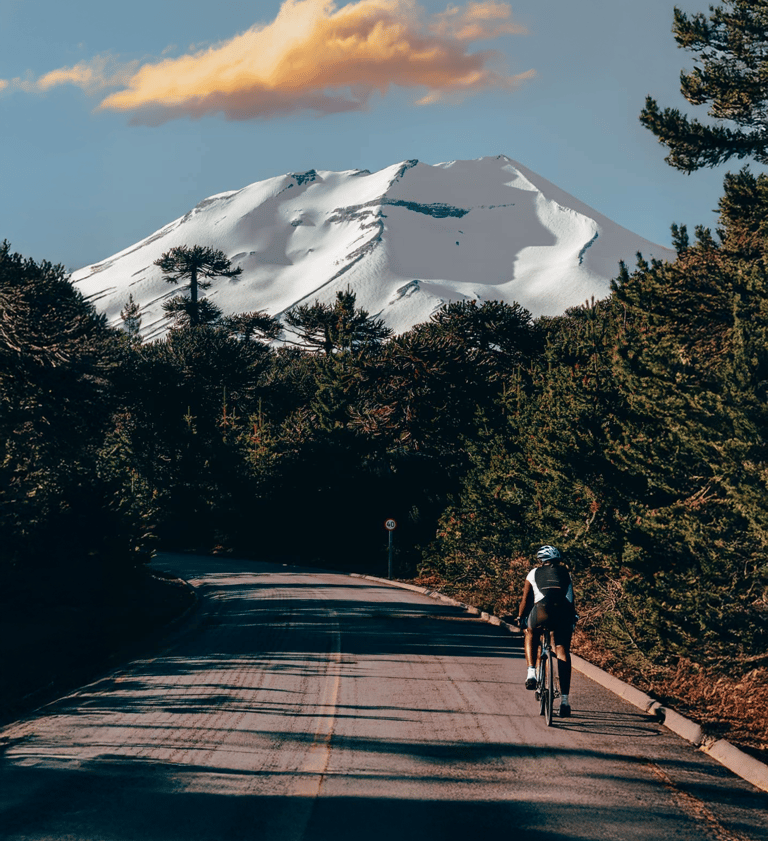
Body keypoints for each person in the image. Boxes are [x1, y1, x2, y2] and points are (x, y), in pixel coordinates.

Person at [516, 544, 577, 717]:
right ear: (558, 561)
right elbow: (571, 601)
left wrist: (521, 617)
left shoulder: (533, 573)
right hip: (563, 613)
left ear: (541, 560)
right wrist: (573, 617)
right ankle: (564, 701)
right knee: (562, 649)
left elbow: (526, 601)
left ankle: (531, 674)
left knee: (531, 631)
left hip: (541, 611)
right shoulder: (566, 574)